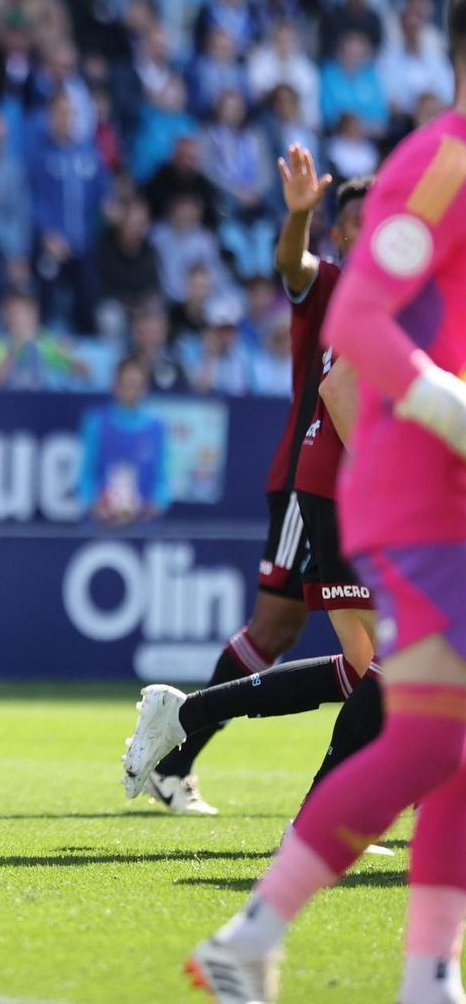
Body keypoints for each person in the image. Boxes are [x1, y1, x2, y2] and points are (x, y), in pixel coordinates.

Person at [186, 0, 466, 1003]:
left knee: (444, 735)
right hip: (417, 486)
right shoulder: (439, 164)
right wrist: (445, 406)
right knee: (427, 722)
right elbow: (358, 328)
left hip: (439, 480)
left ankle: (394, 969)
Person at [127, 152, 373, 816]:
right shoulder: (333, 283)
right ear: (340, 230)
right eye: (352, 221)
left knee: (359, 661)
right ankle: (178, 755)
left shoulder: (394, 288)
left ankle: (182, 739)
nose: (364, 230)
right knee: (281, 628)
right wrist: (298, 215)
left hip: (352, 479)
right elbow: (292, 267)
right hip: (312, 476)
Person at [80, 357, 168, 526]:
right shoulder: (96, 422)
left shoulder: (157, 426)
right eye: (127, 384)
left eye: (137, 385)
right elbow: (86, 476)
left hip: (143, 523)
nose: (131, 391)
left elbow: (162, 480)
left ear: (145, 388)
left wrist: (154, 504)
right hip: (101, 522)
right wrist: (96, 505)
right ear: (116, 386)